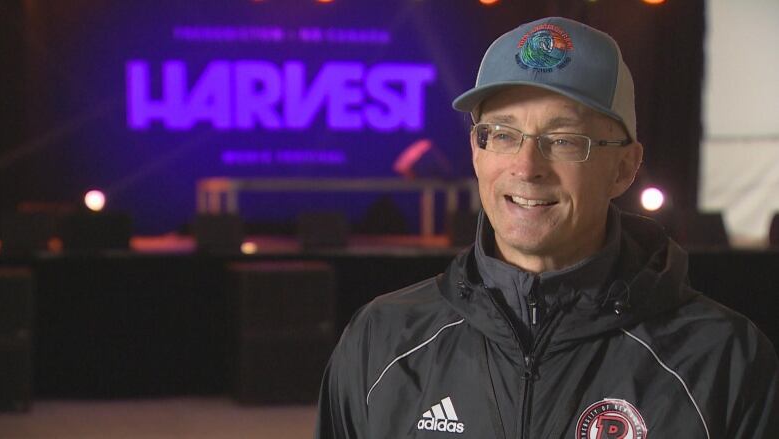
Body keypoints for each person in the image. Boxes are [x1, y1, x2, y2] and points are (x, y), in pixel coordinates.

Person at [315, 16, 779, 438]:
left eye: (562, 139)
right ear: (477, 152)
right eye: (501, 134)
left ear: (624, 167)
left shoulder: (723, 361)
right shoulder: (382, 340)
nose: (526, 166)